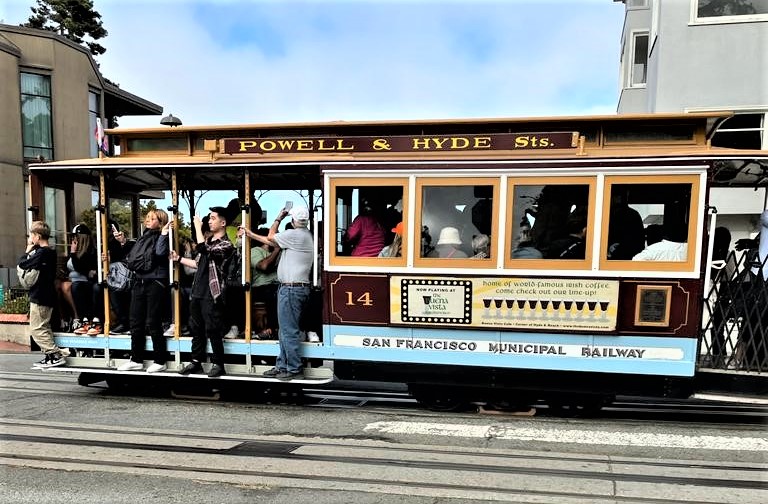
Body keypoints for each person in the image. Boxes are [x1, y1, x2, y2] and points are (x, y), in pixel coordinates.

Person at [239, 205, 314, 380]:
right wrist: (251, 234)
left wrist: (279, 216)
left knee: (288, 330)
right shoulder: (305, 235)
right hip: (292, 288)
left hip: (291, 288)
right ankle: (282, 365)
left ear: (293, 220)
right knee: (284, 330)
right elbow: (271, 240)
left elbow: (271, 236)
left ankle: (294, 368)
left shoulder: (295, 235)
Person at [177, 206, 235, 378]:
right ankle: (196, 362)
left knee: (213, 328)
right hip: (198, 290)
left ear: (223, 223)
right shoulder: (208, 243)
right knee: (196, 328)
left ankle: (219, 364)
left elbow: (204, 250)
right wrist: (178, 258)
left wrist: (196, 227)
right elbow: (197, 263)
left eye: (213, 218)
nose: (209, 221)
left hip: (212, 292)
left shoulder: (226, 245)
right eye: (209, 218)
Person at [116, 209, 170, 373]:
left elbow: (160, 254)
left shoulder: (164, 237)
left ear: (160, 222)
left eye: (152, 218)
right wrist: (123, 242)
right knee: (135, 321)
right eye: (148, 217)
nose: (148, 220)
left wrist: (164, 234)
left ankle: (160, 360)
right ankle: (136, 359)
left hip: (155, 281)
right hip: (139, 281)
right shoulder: (143, 237)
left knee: (153, 321)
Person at [19, 221, 66, 368]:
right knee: (44, 327)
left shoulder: (42, 253)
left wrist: (28, 250)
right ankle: (50, 355)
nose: (30, 238)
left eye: (31, 235)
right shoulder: (50, 252)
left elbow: (22, 263)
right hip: (47, 295)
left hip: (40, 296)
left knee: (37, 328)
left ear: (37, 236)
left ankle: (55, 354)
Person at [68, 224, 100, 335]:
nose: (73, 239)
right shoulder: (76, 251)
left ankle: (93, 320)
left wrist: (73, 253)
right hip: (78, 280)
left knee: (80, 287)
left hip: (88, 281)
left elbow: (79, 267)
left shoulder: (91, 251)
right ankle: (83, 320)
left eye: (75, 236)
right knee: (74, 286)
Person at [250, 227, 280, 340]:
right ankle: (271, 329)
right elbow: (264, 266)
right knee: (272, 292)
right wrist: (277, 250)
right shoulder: (255, 251)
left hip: (278, 285)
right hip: (261, 287)